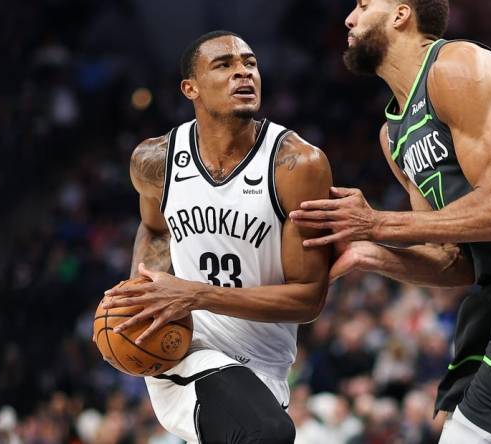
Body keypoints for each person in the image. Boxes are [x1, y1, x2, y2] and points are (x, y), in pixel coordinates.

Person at [289, 1, 491, 442]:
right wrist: (371, 254)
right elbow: (453, 262)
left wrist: (376, 224)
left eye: (364, 4)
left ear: (401, 14)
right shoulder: (393, 136)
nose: (349, 19)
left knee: (467, 435)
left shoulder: (456, 67)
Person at [102, 30, 332, 444]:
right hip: (185, 344)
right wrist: (144, 298)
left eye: (250, 63)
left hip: (265, 366)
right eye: (224, 65)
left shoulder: (297, 164)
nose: (243, 73)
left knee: (262, 429)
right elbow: (155, 229)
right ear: (190, 88)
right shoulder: (155, 160)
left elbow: (308, 299)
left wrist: (194, 293)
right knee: (266, 434)